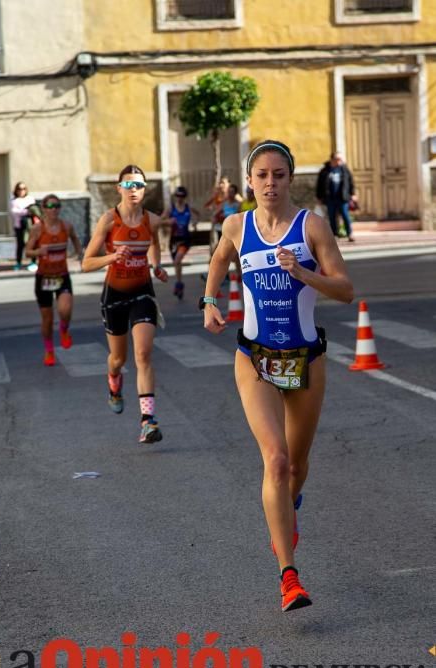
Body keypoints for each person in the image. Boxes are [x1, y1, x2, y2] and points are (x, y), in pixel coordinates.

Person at [201, 140, 353, 612]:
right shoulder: (236, 224)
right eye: (262, 175)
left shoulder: (312, 227)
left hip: (306, 359)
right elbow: (221, 258)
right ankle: (289, 576)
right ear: (249, 180)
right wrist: (209, 300)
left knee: (298, 467)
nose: (270, 183)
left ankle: (288, 510)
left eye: (279, 175)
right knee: (277, 460)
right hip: (255, 360)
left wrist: (305, 274)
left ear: (291, 179)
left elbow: (346, 290)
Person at [82, 165, 168, 444]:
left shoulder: (151, 220)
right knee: (119, 358)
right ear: (119, 188)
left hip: (143, 293)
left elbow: (153, 243)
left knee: (143, 354)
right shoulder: (108, 220)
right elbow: (86, 263)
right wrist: (112, 257)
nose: (134, 191)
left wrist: (156, 266)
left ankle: (147, 421)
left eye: (139, 186)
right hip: (114, 296)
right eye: (129, 185)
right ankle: (113, 380)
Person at [25, 194, 82, 366]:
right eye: (49, 206)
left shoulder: (66, 226)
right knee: (47, 320)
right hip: (43, 278)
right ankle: (49, 350)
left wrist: (79, 253)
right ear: (43, 208)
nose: (53, 209)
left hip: (62, 276)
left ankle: (64, 329)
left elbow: (75, 239)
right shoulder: (37, 229)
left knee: (65, 310)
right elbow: (27, 251)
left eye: (57, 206)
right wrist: (38, 252)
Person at [161, 186, 199, 300]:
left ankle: (178, 284)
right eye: (177, 196)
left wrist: (195, 223)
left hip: (185, 239)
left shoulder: (188, 208)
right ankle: (179, 283)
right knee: (177, 263)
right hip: (173, 240)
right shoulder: (170, 209)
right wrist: (168, 222)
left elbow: (198, 214)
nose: (179, 198)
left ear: (185, 197)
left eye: (182, 196)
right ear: (175, 196)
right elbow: (159, 221)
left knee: (178, 260)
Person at [316, 151, 358, 242]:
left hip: (342, 198)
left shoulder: (344, 169)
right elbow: (319, 185)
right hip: (330, 198)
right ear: (332, 159)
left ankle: (350, 233)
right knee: (332, 217)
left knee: (345, 215)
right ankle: (334, 234)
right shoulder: (325, 171)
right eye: (337, 159)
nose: (339, 161)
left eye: (340, 159)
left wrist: (353, 194)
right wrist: (319, 197)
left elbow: (350, 182)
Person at [10, 182, 40, 271]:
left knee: (33, 243)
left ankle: (33, 262)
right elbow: (14, 212)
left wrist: (26, 211)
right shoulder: (14, 201)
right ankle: (18, 262)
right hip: (20, 226)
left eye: (23, 189)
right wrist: (26, 211)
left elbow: (34, 209)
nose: (21, 191)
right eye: (19, 189)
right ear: (16, 190)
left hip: (31, 226)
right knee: (20, 244)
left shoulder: (30, 199)